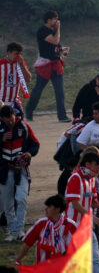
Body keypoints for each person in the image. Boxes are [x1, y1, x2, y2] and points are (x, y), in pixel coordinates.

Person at [0, 103, 37, 243]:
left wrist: (29, 153)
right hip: (4, 170)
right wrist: (1, 140)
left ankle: (20, 230)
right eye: (6, 120)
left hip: (21, 168)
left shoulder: (24, 127)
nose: (10, 122)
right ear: (2, 119)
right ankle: (13, 231)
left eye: (11, 119)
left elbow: (35, 144)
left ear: (14, 115)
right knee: (7, 204)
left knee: (21, 198)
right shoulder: (0, 128)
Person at [26, 10, 69, 122]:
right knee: (38, 90)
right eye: (55, 19)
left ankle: (62, 116)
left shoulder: (51, 31)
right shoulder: (43, 30)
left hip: (55, 65)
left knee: (60, 92)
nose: (57, 21)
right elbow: (55, 41)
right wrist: (58, 29)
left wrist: (63, 50)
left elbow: (57, 47)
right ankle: (29, 111)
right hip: (45, 65)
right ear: (49, 20)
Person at [15, 195, 74, 266]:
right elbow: (28, 243)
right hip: (43, 267)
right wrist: (18, 260)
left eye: (49, 207)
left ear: (58, 209)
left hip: (64, 266)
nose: (46, 209)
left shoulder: (71, 225)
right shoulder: (41, 224)